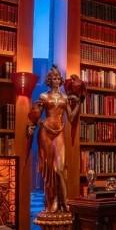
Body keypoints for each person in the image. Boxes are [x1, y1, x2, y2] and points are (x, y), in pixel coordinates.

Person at [27, 65, 81, 213]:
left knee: (59, 169)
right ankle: (53, 201)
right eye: (53, 78)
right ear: (49, 81)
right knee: (49, 169)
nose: (56, 80)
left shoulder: (64, 98)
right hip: (45, 133)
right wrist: (37, 123)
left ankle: (65, 201)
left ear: (61, 80)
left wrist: (79, 104)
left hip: (59, 133)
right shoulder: (44, 96)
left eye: (58, 78)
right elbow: (36, 115)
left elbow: (70, 117)